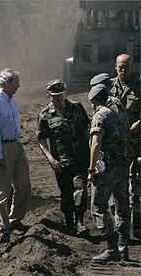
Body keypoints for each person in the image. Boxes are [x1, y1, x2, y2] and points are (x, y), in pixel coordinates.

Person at [0, 68, 31, 243]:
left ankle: (15, 219)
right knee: (2, 189)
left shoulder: (11, 101)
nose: (19, 86)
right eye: (16, 82)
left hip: (15, 145)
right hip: (0, 147)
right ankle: (4, 228)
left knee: (23, 184)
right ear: (7, 83)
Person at [37, 79, 89, 234]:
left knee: (80, 190)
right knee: (66, 193)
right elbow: (41, 139)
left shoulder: (77, 107)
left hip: (80, 158)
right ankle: (69, 224)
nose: (59, 99)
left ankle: (80, 223)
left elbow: (86, 129)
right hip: (61, 161)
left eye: (61, 95)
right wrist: (51, 159)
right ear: (49, 96)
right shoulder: (45, 115)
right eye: (55, 96)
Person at [87, 84, 131, 263]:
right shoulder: (118, 110)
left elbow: (96, 143)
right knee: (122, 204)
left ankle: (112, 249)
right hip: (122, 165)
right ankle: (123, 247)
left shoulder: (100, 115)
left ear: (94, 100)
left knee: (98, 207)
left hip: (107, 168)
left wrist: (91, 169)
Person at [110, 54, 140, 196]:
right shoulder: (109, 87)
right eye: (120, 68)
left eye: (126, 68)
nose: (123, 71)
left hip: (134, 140)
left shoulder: (138, 86)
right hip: (115, 142)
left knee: (134, 178)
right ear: (116, 67)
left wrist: (139, 123)